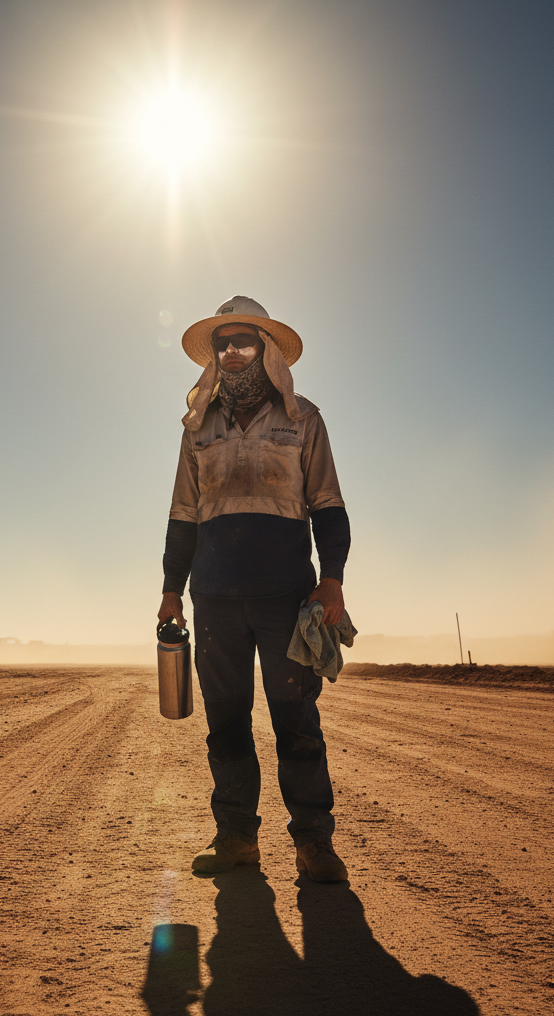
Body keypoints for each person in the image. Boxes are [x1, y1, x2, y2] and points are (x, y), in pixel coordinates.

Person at [158, 295, 352, 883]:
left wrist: (332, 582)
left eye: (244, 342)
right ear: (214, 356)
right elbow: (182, 517)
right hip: (214, 598)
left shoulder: (303, 420)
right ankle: (236, 839)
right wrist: (171, 589)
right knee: (226, 724)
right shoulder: (199, 429)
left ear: (266, 351)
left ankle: (314, 844)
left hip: (285, 597)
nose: (232, 352)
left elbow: (329, 506)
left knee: (296, 721)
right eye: (223, 344)